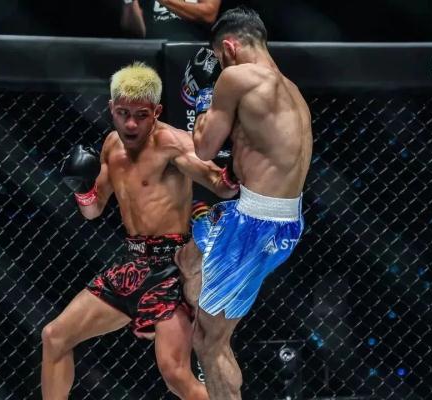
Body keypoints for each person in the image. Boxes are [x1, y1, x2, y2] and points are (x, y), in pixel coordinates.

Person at [41, 62, 238, 400]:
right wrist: (81, 188)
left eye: (141, 115)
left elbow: (222, 186)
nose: (131, 123)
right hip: (132, 265)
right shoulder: (110, 146)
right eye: (123, 113)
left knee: (175, 374)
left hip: (171, 268)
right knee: (54, 336)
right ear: (111, 109)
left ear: (156, 112)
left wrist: (233, 170)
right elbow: (93, 210)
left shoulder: (172, 144)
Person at [175, 6, 313, 399]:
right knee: (188, 258)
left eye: (220, 60)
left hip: (252, 225)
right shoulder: (291, 90)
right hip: (279, 220)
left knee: (208, 341)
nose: (221, 67)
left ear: (230, 48)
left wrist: (204, 93)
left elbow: (204, 148)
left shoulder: (236, 77)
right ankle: (203, 286)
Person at [120, 0, 221, 40]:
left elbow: (209, 14)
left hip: (193, 47)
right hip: (154, 48)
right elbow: (131, 27)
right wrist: (130, 2)